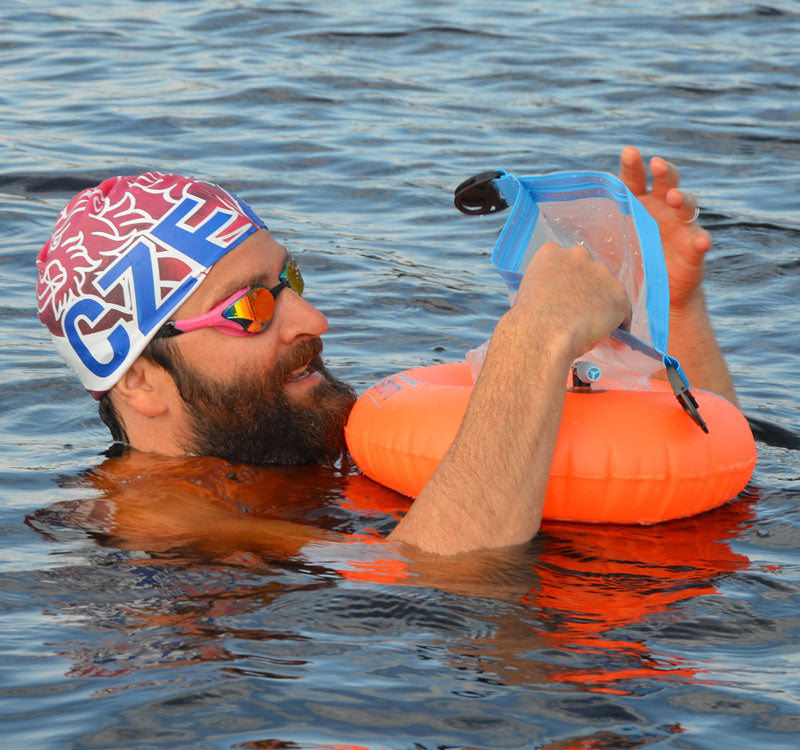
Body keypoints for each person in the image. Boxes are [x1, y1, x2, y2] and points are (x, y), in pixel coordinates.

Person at [36, 147, 738, 556]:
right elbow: (441, 586)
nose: (315, 318)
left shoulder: (284, 433)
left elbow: (717, 467)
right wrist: (535, 336)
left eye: (291, 282)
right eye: (250, 308)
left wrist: (674, 310)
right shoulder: (162, 523)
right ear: (138, 383)